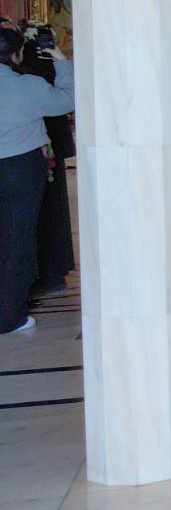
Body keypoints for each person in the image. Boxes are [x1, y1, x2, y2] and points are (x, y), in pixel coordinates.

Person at [0, 28, 72, 335]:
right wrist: (61, 61)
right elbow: (68, 100)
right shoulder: (28, 86)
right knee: (18, 238)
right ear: (17, 55)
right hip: (21, 168)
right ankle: (10, 316)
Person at [19, 33, 74, 294]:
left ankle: (44, 274)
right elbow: (66, 98)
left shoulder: (28, 75)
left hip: (39, 154)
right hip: (36, 154)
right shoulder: (28, 78)